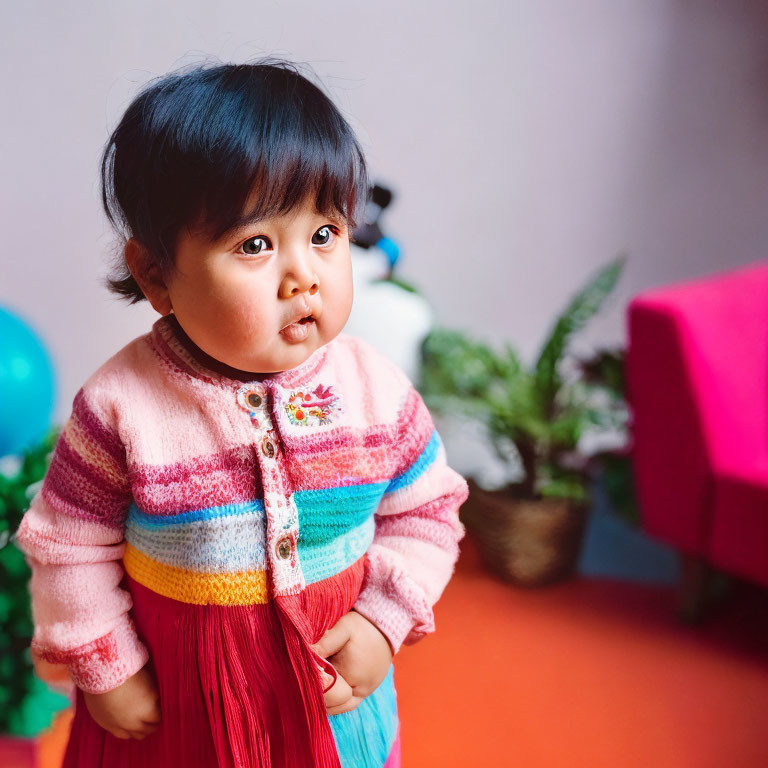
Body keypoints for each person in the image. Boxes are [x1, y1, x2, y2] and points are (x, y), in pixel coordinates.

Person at [12, 56, 469, 768]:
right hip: (178, 704)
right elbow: (69, 543)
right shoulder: (120, 408)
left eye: (324, 234)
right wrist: (106, 664)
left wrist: (383, 622)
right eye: (256, 244)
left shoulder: (373, 390)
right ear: (158, 275)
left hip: (329, 700)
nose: (304, 276)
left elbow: (427, 512)